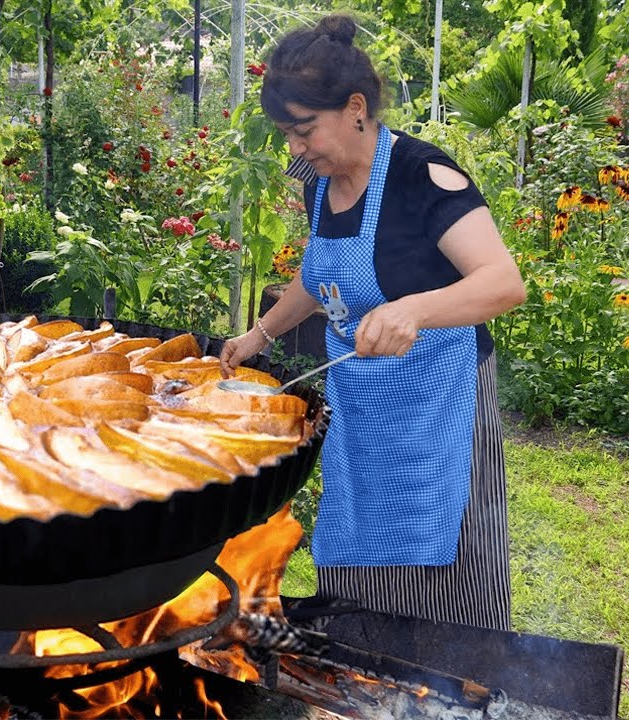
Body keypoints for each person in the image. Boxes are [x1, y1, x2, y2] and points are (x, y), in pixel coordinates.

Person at [220, 15, 526, 631]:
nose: (294, 149)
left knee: (443, 543)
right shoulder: (318, 180)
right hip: (363, 399)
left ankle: (455, 666)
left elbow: (503, 282)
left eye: (302, 130)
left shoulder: (425, 176)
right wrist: (259, 336)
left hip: (439, 400)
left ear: (354, 107)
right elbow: (322, 278)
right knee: (360, 529)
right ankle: (364, 655)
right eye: (287, 134)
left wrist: (415, 309)